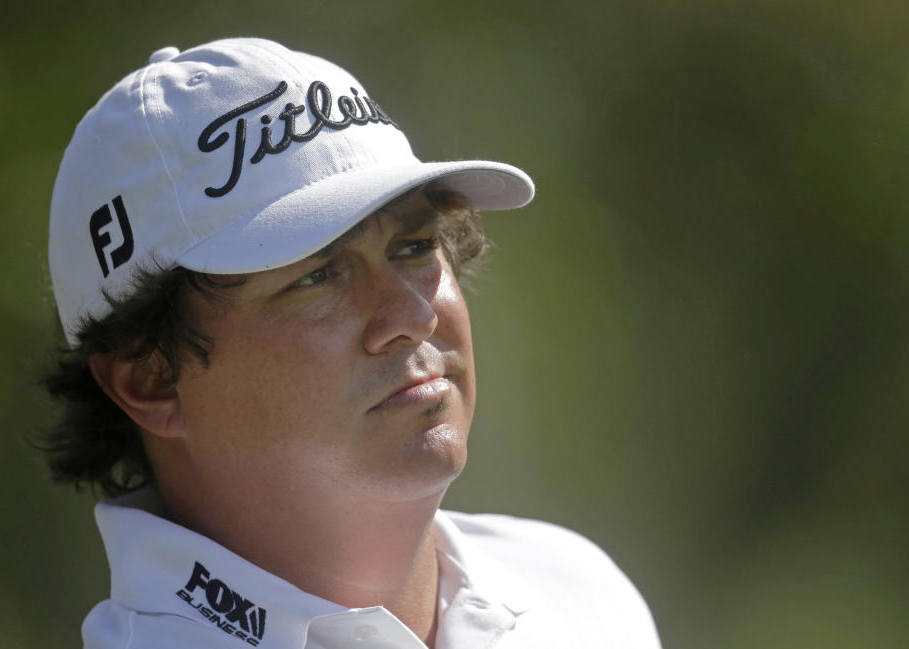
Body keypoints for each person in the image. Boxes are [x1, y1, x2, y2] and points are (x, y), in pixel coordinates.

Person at [42, 37, 662, 649]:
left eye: (415, 247)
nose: (411, 315)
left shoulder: (579, 590)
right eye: (315, 276)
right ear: (149, 376)